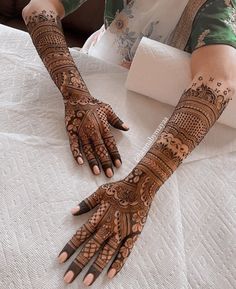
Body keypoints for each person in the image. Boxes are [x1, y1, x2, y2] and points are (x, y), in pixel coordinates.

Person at [22, 0, 236, 287]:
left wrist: (138, 188)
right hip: (97, 68)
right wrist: (77, 96)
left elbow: (218, 81)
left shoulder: (213, 4)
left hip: (155, 108)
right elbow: (37, 8)